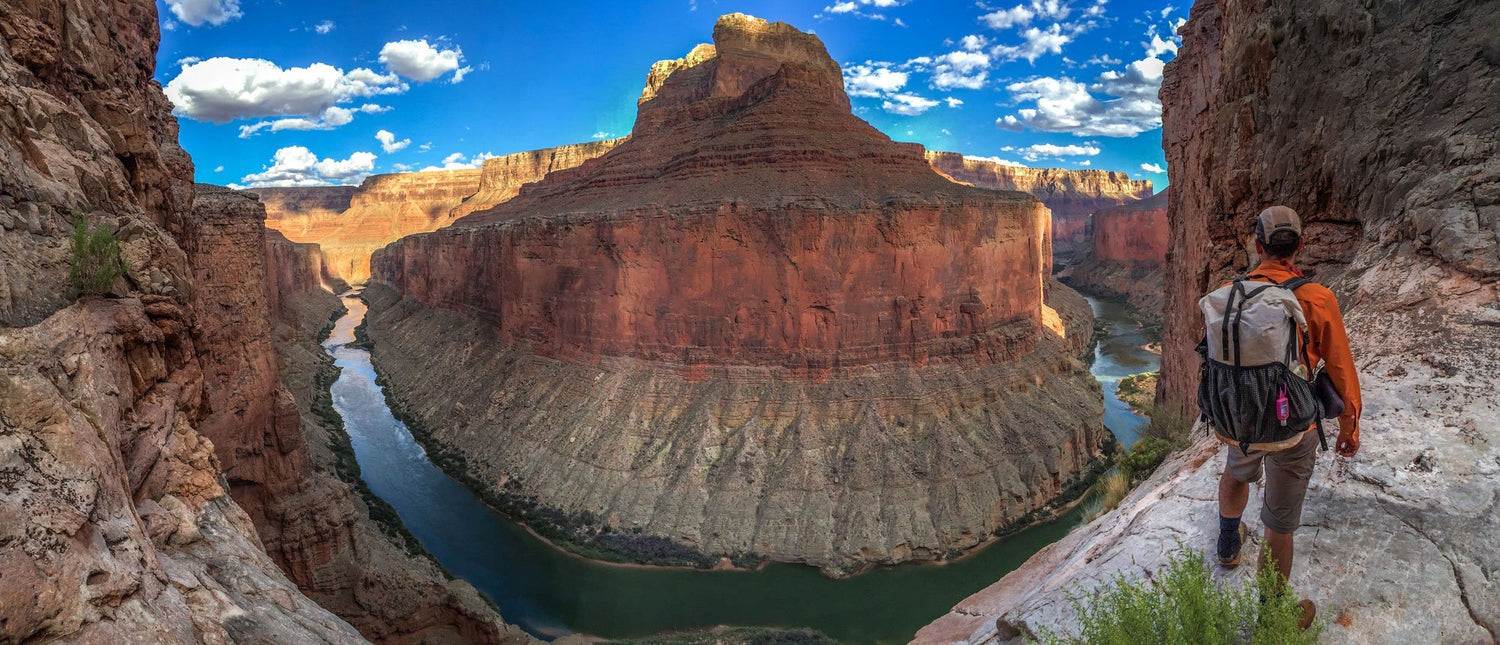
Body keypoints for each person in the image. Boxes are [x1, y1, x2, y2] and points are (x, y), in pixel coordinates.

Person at [1214, 206, 1362, 629]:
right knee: (1279, 523)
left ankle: (1227, 546)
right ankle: (1272, 618)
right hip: (1292, 427)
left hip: (1238, 418)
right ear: (1298, 246)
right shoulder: (1316, 297)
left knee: (1236, 472)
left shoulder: (1230, 293)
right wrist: (1349, 425)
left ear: (1257, 246)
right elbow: (1339, 368)